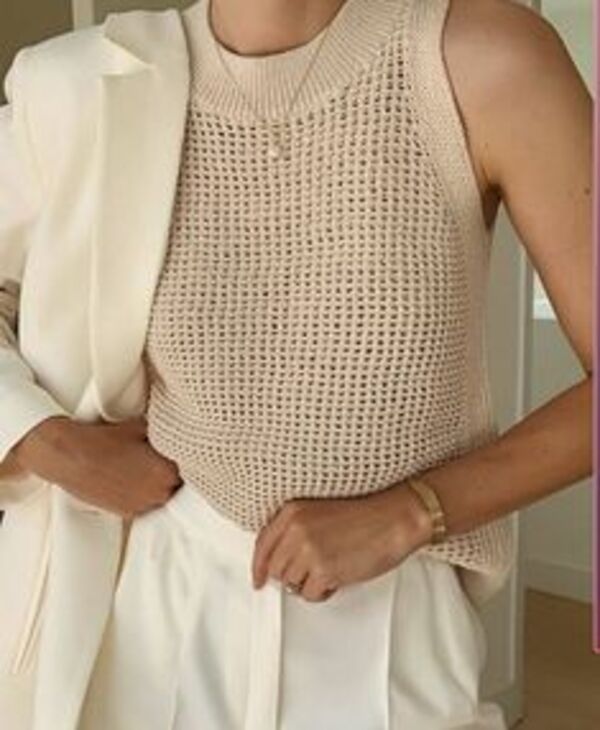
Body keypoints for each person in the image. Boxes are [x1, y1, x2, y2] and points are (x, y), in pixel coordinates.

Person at [1, 0, 591, 728]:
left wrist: (415, 511)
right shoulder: (82, 85)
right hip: (152, 621)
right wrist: (47, 443)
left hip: (388, 637)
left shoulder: (483, 61)